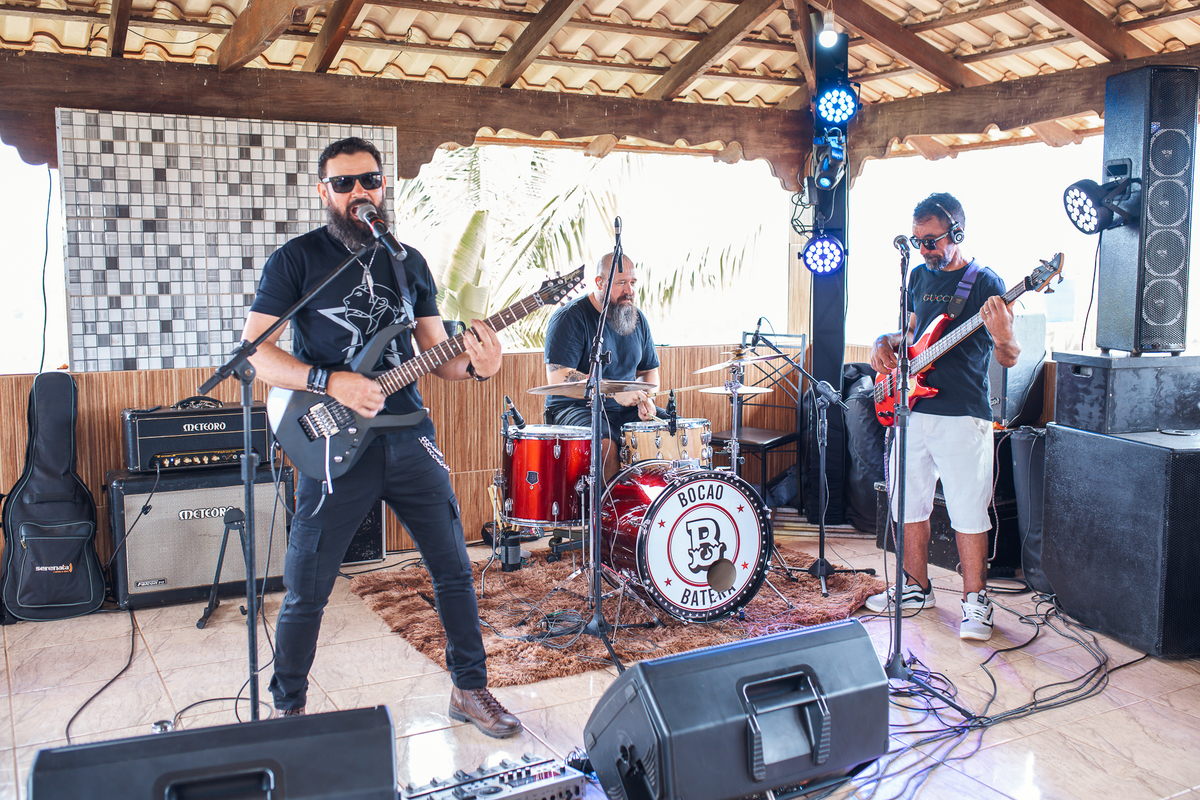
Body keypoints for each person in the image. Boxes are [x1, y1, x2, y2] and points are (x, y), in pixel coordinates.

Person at [241, 136, 521, 737]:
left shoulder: (407, 261)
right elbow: (257, 354)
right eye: (343, 183)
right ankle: (289, 708)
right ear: (324, 192)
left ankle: (470, 688)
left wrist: (479, 366)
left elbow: (438, 356)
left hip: (409, 434)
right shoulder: (296, 260)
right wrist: (330, 381)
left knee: (454, 568)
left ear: (382, 185)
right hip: (330, 439)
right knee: (307, 587)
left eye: (368, 180)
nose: (358, 192)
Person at [865, 192, 1019, 641]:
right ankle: (916, 588)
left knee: (968, 510)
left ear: (957, 233)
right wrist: (884, 341)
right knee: (908, 501)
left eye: (931, 241)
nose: (924, 250)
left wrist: (1003, 335)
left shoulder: (986, 282)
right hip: (912, 408)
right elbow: (912, 332)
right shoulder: (917, 275)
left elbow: (1009, 356)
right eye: (918, 242)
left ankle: (976, 601)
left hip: (962, 413)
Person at [543, 252, 660, 481]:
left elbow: (648, 371)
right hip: (574, 407)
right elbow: (558, 377)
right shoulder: (569, 317)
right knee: (605, 445)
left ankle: (654, 504)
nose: (629, 290)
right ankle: (608, 505)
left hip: (624, 409)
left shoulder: (637, 319)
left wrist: (648, 398)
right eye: (621, 283)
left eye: (633, 282)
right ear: (599, 282)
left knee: (669, 430)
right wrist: (613, 392)